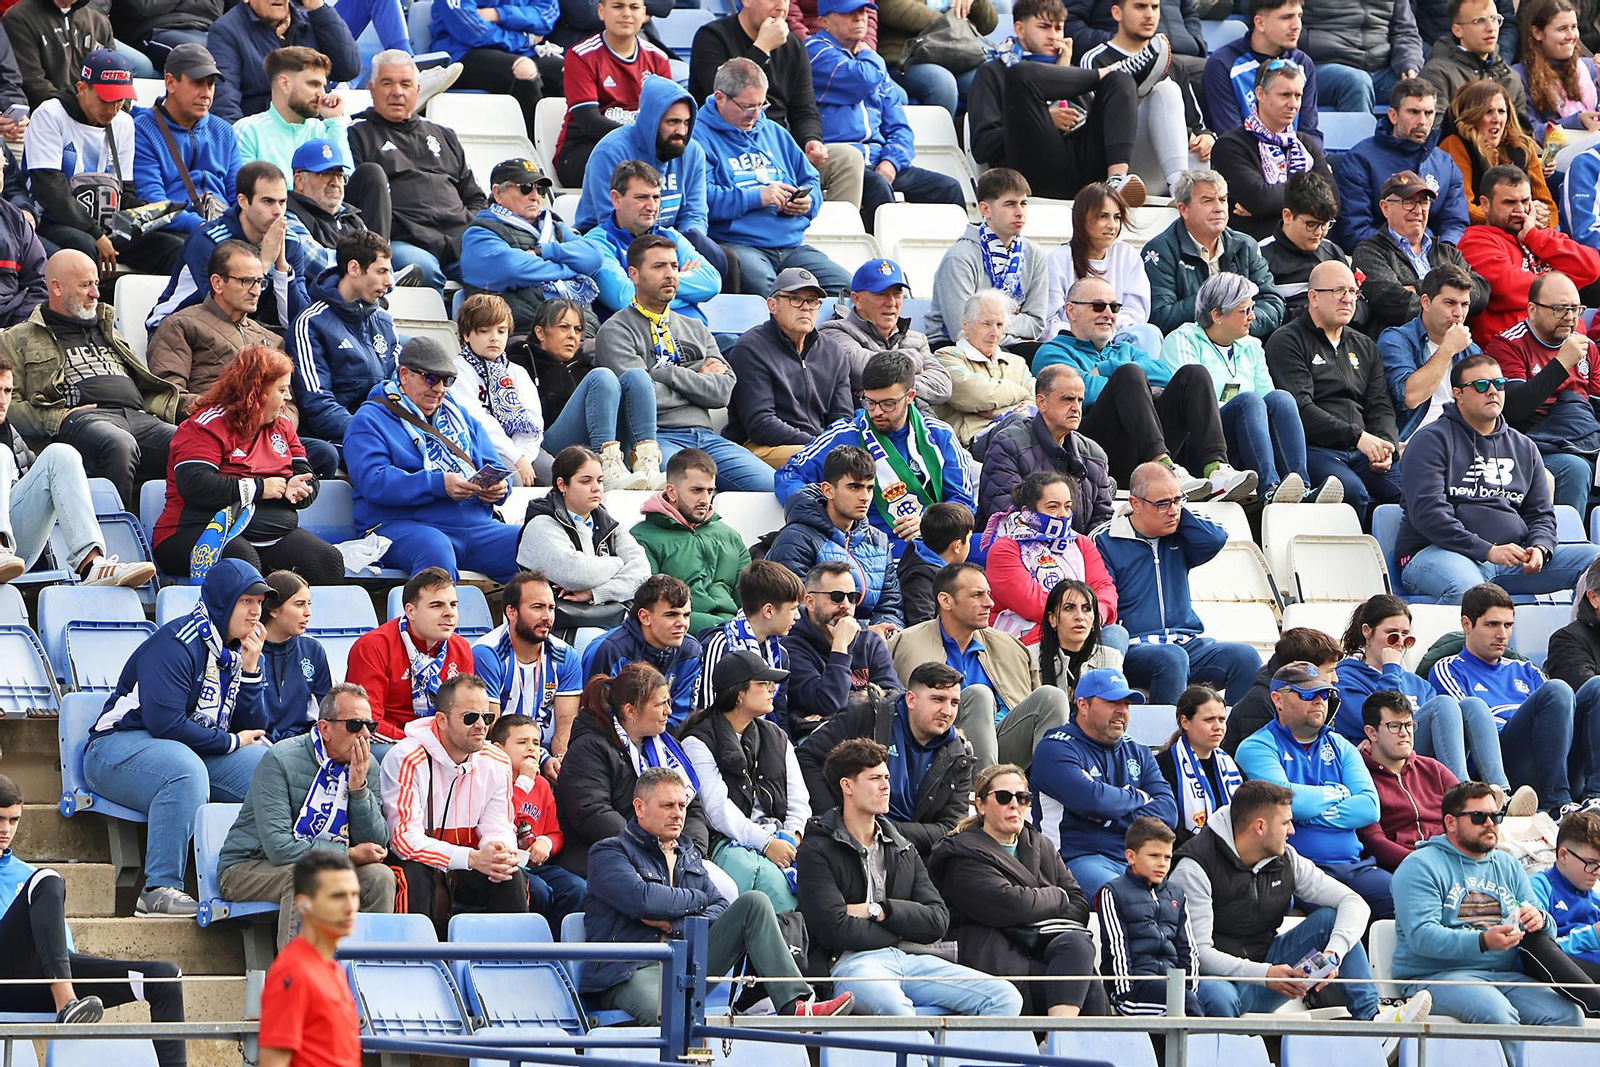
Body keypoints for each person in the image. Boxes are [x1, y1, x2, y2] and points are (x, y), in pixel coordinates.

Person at [585, 766, 854, 1021]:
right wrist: (696, 902)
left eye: (682, 806)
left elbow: (720, 907)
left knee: (754, 903)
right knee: (673, 1014)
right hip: (630, 968)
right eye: (667, 805)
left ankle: (796, 1005)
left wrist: (675, 922)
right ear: (640, 808)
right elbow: (643, 900)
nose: (678, 813)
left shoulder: (687, 856)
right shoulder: (609, 852)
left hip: (686, 963)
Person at [84, 559, 273, 916]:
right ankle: (158, 888)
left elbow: (255, 726)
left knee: (267, 766)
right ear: (222, 601)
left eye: (260, 603)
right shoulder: (176, 643)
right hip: (117, 747)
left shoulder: (233, 651)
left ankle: (256, 875)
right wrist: (231, 743)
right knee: (184, 771)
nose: (255, 612)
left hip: (184, 747)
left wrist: (250, 670)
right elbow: (164, 723)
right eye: (247, 601)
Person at [1169, 779, 1431, 1034]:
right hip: (1217, 980)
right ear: (1260, 827)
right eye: (1285, 823)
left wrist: (1333, 954)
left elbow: (1353, 902)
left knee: (1331, 919)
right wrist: (1265, 973)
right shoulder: (1194, 868)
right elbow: (1200, 954)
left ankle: (1374, 1022)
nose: (1292, 830)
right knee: (1215, 995)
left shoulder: (1287, 858)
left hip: (1271, 972)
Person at [796, 737, 1025, 1017]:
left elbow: (938, 920)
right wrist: (903, 927)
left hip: (909, 958)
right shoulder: (817, 847)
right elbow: (834, 929)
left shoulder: (901, 845)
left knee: (1005, 997)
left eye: (887, 777)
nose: (885, 785)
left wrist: (880, 910)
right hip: (850, 964)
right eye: (874, 778)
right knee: (900, 1012)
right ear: (847, 786)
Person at [0, 773, 187, 1059]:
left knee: (164, 978)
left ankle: (66, 1001)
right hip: (5, 979)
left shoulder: (26, 876)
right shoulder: (38, 884)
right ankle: (66, 1002)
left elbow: (61, 951)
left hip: (39, 985)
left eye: (13, 820)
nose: (6, 829)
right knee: (47, 879)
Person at [1397, 352, 1600, 600]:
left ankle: (1579, 640)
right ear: (1457, 394)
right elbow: (1428, 515)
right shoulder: (1430, 441)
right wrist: (1487, 550)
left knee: (1595, 563)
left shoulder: (1524, 447)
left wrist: (1540, 547)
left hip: (1511, 559)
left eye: (1499, 384)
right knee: (1471, 593)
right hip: (1438, 553)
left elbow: (1541, 514)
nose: (1493, 391)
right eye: (1481, 385)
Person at [1391, 780, 1583, 1041]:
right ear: (1450, 823)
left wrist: (1539, 919)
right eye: (1479, 817)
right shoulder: (1419, 866)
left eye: (1496, 816)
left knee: (1568, 1015)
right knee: (1498, 1015)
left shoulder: (1507, 864)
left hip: (1504, 975)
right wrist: (1482, 941)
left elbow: (1542, 920)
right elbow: (1422, 937)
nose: (1490, 824)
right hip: (1435, 976)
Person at [1035, 277, 1253, 498]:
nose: (1108, 314)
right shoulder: (1053, 352)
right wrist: (1129, 383)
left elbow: (1165, 374)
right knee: (1129, 375)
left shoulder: (1124, 349)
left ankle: (1216, 469)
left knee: (1193, 374)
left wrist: (1107, 368)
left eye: (1115, 307)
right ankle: (1163, 466)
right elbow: (1082, 393)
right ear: (1071, 311)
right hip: (1095, 452)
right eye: (1098, 306)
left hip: (1142, 441)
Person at [217, 683, 394, 946]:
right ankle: (297, 978)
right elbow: (278, 848)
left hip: (326, 865)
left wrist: (358, 790)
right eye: (355, 725)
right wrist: (348, 854)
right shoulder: (280, 759)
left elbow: (377, 842)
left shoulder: (366, 765)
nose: (366, 735)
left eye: (371, 726)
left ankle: (360, 971)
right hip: (247, 866)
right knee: (306, 877)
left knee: (380, 878)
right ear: (325, 728)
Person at [595, 233, 773, 492]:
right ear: (633, 274)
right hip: (656, 439)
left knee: (771, 488)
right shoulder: (616, 330)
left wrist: (667, 374)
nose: (670, 274)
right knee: (680, 490)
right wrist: (697, 378)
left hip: (708, 438)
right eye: (659, 267)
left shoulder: (696, 328)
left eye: (674, 266)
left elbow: (723, 392)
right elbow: (641, 397)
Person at [151, 343, 341, 585]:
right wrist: (259, 488)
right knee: (241, 564)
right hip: (194, 532)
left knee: (327, 561)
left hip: (272, 535)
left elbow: (306, 476)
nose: (289, 397)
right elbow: (196, 484)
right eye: (282, 389)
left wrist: (299, 489)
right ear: (258, 391)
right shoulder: (205, 426)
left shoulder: (282, 425)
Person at [927, 763, 1108, 1017]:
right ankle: (1060, 1046)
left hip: (1041, 948)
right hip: (992, 959)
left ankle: (1057, 1043)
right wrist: (1057, 896)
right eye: (1003, 797)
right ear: (980, 805)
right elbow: (1010, 905)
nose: (1015, 804)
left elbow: (1078, 905)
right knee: (1086, 985)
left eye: (1023, 798)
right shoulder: (961, 853)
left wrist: (1035, 906)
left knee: (1079, 947)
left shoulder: (1040, 844)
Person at [0, 250, 177, 509]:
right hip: (79, 420)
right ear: (57, 287)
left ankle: (175, 534)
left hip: (140, 416)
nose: (95, 293)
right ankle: (116, 534)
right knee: (119, 444)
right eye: (85, 285)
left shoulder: (108, 329)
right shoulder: (17, 338)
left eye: (96, 284)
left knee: (188, 445)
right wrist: (56, 419)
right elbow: (8, 406)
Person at [344, 336, 521, 582]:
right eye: (431, 378)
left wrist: (501, 487)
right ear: (404, 375)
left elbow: (496, 465)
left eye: (447, 380)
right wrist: (439, 484)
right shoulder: (369, 419)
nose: (439, 388)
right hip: (403, 525)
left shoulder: (461, 417)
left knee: (534, 541)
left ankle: (533, 620)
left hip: (477, 527)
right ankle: (435, 620)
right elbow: (374, 481)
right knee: (434, 546)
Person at [775, 349, 974, 559]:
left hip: (935, 541)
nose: (877, 411)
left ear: (910, 397)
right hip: (869, 548)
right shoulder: (844, 435)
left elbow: (964, 501)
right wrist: (822, 518)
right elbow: (789, 474)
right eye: (869, 402)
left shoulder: (939, 434)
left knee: (998, 548)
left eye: (889, 404)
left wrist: (932, 524)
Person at [1235, 661, 1394, 918]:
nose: (1319, 701)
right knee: (1332, 915)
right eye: (1308, 694)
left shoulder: (1341, 745)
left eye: (1324, 694)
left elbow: (1369, 808)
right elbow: (1283, 805)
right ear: (1278, 699)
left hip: (1355, 866)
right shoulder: (1256, 747)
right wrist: (1337, 793)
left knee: (1403, 898)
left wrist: (1306, 812)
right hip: (1298, 869)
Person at [1095, 462, 1263, 704]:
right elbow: (1102, 596)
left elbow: (1216, 538)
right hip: (1132, 648)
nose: (1173, 510)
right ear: (1135, 504)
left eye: (1177, 500)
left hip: (1186, 642)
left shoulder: (1181, 532)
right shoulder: (1105, 540)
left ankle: (1233, 738)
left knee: (1244, 658)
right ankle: (1168, 740)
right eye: (1163, 504)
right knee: (1172, 658)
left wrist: (1175, 511)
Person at [966, 0, 1160, 205]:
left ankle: (1117, 181)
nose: (1054, 36)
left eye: (1059, 28)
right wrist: (1039, 121)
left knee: (1119, 79)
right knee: (1022, 75)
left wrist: (1063, 73)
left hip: (1082, 170)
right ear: (1020, 30)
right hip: (1031, 175)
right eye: (1044, 27)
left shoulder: (1073, 70)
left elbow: (1090, 122)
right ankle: (1106, 72)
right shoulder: (993, 72)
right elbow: (982, 146)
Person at [1161, 271, 1329, 506]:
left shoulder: (1252, 345)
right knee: (1248, 401)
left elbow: (1267, 399)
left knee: (1281, 398)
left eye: (1253, 308)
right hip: (1201, 446)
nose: (1252, 317)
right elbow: (1187, 405)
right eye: (1244, 310)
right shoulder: (1182, 339)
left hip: (1244, 440)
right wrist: (1238, 406)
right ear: (1217, 314)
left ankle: (1301, 486)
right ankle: (1268, 487)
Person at [1431, 583, 1599, 815]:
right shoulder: (1449, 669)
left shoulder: (1526, 669)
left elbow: (1559, 716)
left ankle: (1595, 795)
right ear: (1466, 625)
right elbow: (1470, 725)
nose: (1502, 634)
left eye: (1508, 625)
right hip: (1504, 762)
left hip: (1555, 759)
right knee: (1557, 690)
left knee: (1596, 687)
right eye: (1492, 624)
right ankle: (1556, 803)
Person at [379, 673, 527, 935]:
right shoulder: (406, 757)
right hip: (420, 862)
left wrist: (498, 850)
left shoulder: (497, 760)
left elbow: (498, 825)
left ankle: (511, 967)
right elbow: (403, 841)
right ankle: (415, 964)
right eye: (470, 717)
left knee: (508, 875)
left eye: (487, 717)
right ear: (442, 720)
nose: (481, 725)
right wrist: (471, 858)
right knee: (412, 875)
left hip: (471, 860)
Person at [889, 560, 1071, 771]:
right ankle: (983, 793)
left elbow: (1029, 706)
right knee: (979, 694)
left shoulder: (1009, 647)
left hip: (1003, 744)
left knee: (1052, 696)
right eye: (977, 595)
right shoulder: (906, 644)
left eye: (988, 593)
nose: (990, 603)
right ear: (946, 601)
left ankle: (1049, 793)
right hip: (938, 750)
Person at [691, 58, 852, 296]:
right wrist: (758, 198)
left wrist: (807, 202)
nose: (755, 115)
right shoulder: (698, 138)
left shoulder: (775, 132)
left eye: (761, 105)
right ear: (720, 97)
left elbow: (811, 180)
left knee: (850, 289)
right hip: (739, 245)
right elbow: (702, 198)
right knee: (775, 297)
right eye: (747, 106)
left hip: (791, 246)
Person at [688, 0, 866, 209]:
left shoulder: (793, 45)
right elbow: (719, 100)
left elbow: (804, 110)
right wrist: (762, 48)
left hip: (779, 147)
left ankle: (827, 233)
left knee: (848, 160)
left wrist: (811, 140)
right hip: (726, 148)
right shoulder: (712, 37)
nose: (781, 6)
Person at [804, 0, 967, 228]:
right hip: (840, 163)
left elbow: (899, 127)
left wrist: (891, 160)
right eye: (848, 13)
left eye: (862, 11)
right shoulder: (815, 51)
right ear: (824, 22)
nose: (859, 17)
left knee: (948, 188)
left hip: (879, 161)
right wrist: (871, 54)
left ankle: (959, 259)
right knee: (878, 187)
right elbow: (861, 80)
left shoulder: (868, 60)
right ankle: (885, 262)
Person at [0, 349, 154, 586]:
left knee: (62, 454)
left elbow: (35, 489)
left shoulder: (11, 435)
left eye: (8, 391)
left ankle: (91, 565)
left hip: (13, 552)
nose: (3, 400)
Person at [23, 49, 182, 275]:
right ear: (82, 88)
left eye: (120, 100)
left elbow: (123, 192)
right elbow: (50, 192)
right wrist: (95, 233)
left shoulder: (124, 123)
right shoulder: (50, 115)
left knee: (173, 247)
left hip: (107, 227)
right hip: (51, 220)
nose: (113, 109)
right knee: (85, 247)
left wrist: (149, 211)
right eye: (105, 99)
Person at [1264, 260, 1402, 520]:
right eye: (1339, 291)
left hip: (1362, 448)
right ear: (1313, 297)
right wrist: (1357, 436)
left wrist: (1387, 447)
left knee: (1411, 494)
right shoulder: (1287, 341)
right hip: (1317, 449)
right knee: (1353, 493)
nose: (1348, 299)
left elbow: (1380, 406)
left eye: (1353, 292)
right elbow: (1301, 409)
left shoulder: (1364, 345)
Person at [795, 661, 972, 858]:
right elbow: (807, 758)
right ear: (911, 700)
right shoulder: (869, 715)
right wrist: (836, 818)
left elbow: (951, 828)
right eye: (938, 699)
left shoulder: (959, 755)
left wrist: (881, 830)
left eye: (954, 703)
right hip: (843, 842)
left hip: (910, 853)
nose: (947, 711)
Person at [677, 649, 810, 910]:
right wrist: (767, 843)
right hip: (728, 841)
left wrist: (792, 836)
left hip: (782, 839)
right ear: (739, 693)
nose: (773, 689)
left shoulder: (777, 735)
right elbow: (716, 810)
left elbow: (799, 799)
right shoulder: (697, 740)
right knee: (770, 883)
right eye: (763, 683)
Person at [554, 662, 713, 878]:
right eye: (660, 704)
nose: (669, 711)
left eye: (669, 702)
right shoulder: (590, 748)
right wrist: (648, 849)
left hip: (671, 856)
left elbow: (692, 808)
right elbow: (592, 813)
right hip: (609, 859)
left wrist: (688, 851)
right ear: (631, 711)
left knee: (724, 890)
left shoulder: (669, 749)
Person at [1032, 666, 1177, 898]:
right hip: (1073, 859)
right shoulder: (1055, 748)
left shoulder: (1138, 751)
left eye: (1127, 704)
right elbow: (1095, 802)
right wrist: (1139, 796)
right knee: (1127, 899)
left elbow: (1169, 813)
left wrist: (1109, 816)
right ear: (1083, 705)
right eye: (1112, 703)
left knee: (1176, 901)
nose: (1122, 711)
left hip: (1133, 859)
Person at [348, 51, 489, 290]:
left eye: (405, 84)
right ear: (371, 89)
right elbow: (361, 203)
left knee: (494, 269)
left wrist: (468, 226)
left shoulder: (444, 135)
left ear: (417, 89)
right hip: (407, 242)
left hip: (460, 242)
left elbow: (475, 197)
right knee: (424, 271)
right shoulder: (356, 134)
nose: (397, 92)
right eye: (387, 83)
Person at [1335, 594, 1508, 788]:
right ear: (1367, 631)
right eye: (1392, 635)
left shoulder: (1417, 683)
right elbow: (1381, 723)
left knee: (1473, 705)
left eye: (1406, 637)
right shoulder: (1346, 678)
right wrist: (1391, 669)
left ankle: (1501, 791)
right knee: (1442, 704)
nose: (1399, 643)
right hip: (1380, 762)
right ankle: (1461, 790)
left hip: (1421, 761)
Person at [574, 75, 725, 278]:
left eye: (687, 123)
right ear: (651, 121)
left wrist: (683, 254)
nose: (681, 131)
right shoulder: (610, 151)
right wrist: (667, 264)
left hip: (669, 243)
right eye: (673, 122)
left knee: (723, 259)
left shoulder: (692, 152)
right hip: (614, 243)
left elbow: (694, 215)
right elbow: (615, 219)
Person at [1482, 270, 1600, 513]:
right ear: (1532, 309)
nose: (1570, 318)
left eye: (1576, 309)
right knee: (1574, 468)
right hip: (1531, 446)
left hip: (1580, 439)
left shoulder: (1586, 348)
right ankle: (1564, 545)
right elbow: (1512, 409)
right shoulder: (1508, 345)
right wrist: (1560, 364)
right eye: (1559, 309)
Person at [149, 160, 311, 332]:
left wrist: (281, 266)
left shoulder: (291, 243)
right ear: (243, 201)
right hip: (175, 329)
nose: (278, 211)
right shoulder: (208, 240)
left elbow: (300, 323)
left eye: (282, 202)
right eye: (267, 201)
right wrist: (263, 264)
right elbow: (221, 311)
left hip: (238, 334)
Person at [1077, 0, 1213, 201]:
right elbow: (1095, 129)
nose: (1150, 14)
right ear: (1117, 12)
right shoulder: (1095, 60)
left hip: (1167, 168)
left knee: (1168, 91)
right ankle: (1183, 193)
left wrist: (1206, 138)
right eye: (1140, 7)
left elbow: (1198, 126)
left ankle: (1184, 193)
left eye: (1155, 7)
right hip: (1119, 170)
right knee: (1165, 89)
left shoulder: (1174, 63)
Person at [516, 445, 651, 643]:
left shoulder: (609, 523)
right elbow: (576, 574)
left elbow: (642, 574)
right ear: (562, 484)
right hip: (556, 629)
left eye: (600, 480)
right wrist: (618, 563)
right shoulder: (540, 525)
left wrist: (595, 593)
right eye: (586, 481)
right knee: (610, 645)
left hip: (607, 617)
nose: (596, 488)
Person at [723, 267, 855, 469]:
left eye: (812, 301)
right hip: (761, 446)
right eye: (795, 298)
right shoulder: (751, 347)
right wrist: (819, 444)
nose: (805, 307)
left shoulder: (833, 351)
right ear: (772, 305)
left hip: (818, 446)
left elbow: (842, 419)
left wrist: (826, 444)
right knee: (831, 463)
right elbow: (761, 424)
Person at [459, 157, 605, 338]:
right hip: (524, 337)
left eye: (540, 189)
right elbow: (512, 269)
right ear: (498, 193)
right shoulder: (480, 233)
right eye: (525, 188)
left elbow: (595, 257)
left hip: (581, 333)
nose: (535, 196)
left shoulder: (554, 226)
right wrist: (571, 270)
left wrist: (545, 251)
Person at [768, 445, 904, 634]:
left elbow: (891, 608)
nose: (865, 497)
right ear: (828, 490)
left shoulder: (879, 541)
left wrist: (884, 631)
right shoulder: (795, 539)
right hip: (810, 651)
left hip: (871, 649)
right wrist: (866, 631)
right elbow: (792, 611)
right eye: (854, 487)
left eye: (870, 488)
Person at [1143, 169, 1286, 339]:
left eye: (1223, 200)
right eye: (1208, 201)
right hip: (1187, 348)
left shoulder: (1246, 245)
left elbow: (1273, 304)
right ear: (1183, 209)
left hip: (1241, 345)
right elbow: (1160, 318)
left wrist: (1235, 325)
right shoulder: (1160, 251)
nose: (1218, 208)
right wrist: (1216, 304)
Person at [147, 241, 282, 421]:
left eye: (259, 282)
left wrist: (276, 422)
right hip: (210, 430)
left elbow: (288, 401)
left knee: (321, 449)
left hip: (266, 433)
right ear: (217, 283)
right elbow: (169, 395)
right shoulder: (180, 325)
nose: (256, 291)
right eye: (246, 281)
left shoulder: (271, 339)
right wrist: (232, 413)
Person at [981, 471, 1117, 645]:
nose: (1063, 514)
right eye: (1053, 507)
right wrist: (1079, 616)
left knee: (1115, 633)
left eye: (1067, 506)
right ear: (1028, 512)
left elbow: (1104, 587)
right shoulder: (1005, 548)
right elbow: (1031, 603)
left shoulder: (1081, 543)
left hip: (1082, 627)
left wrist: (1094, 615)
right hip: (1026, 635)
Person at [345, 566, 474, 749]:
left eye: (453, 605)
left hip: (442, 743)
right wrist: (422, 745)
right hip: (391, 745)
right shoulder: (373, 646)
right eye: (437, 605)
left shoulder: (461, 648)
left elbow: (467, 712)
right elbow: (367, 721)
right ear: (410, 611)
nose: (449, 613)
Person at [1334, 77, 1471, 249]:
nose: (1422, 121)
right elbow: (1355, 230)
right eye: (1413, 112)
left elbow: (1455, 223)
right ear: (1393, 115)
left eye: (1429, 113)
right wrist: (1410, 252)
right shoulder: (1360, 160)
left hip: (1434, 259)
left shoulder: (1445, 164)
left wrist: (1442, 252)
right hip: (1381, 258)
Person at [976, 363, 1114, 530]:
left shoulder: (1095, 454)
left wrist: (1081, 550)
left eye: (1080, 400)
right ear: (1041, 403)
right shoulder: (1008, 444)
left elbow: (1103, 520)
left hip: (1078, 552)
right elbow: (1006, 517)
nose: (1076, 408)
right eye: (1067, 399)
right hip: (1016, 551)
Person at [257, 851, 363, 1067]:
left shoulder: (331, 967)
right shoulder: (292, 972)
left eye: (354, 895)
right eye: (337, 896)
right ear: (304, 904)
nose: (350, 907)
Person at [925, 168, 1050, 350]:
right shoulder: (960, 258)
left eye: (1023, 204)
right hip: (953, 348)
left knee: (1050, 356)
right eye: (1010, 204)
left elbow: (1036, 324)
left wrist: (986, 323)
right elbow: (961, 330)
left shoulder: (1035, 255)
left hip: (1007, 345)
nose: (1019, 212)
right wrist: (1015, 325)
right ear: (985, 209)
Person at [1211, 58, 1331, 243]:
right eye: (1285, 95)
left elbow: (1332, 200)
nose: (1293, 104)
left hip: (1310, 249)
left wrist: (1267, 208)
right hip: (1256, 252)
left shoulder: (1305, 144)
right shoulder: (1230, 145)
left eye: (1298, 96)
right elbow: (1260, 199)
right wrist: (1309, 198)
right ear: (1260, 93)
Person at [1353, 170, 1489, 334]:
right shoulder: (1369, 251)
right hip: (1400, 346)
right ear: (1385, 208)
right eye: (1408, 202)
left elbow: (1481, 293)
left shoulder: (1447, 252)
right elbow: (1396, 307)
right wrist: (1453, 297)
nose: (1418, 210)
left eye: (1424, 202)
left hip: (1453, 344)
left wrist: (1418, 288)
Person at [473, 573, 583, 774]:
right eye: (537, 607)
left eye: (551, 608)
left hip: (544, 753)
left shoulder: (566, 656)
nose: (547, 617)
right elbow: (492, 730)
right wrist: (540, 758)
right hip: (500, 756)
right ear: (511, 612)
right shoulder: (487, 654)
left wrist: (559, 760)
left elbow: (565, 725)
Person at [584, 160, 722, 321]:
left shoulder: (671, 236)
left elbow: (712, 283)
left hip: (696, 336)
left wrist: (649, 285)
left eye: (656, 197)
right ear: (616, 199)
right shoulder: (597, 243)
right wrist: (681, 284)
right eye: (642, 197)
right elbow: (624, 299)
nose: (651, 206)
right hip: (640, 341)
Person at [631, 449, 750, 634]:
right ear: (671, 491)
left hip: (734, 634)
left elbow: (751, 600)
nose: (705, 499)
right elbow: (653, 610)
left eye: (710, 490)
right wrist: (724, 630)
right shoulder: (641, 538)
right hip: (684, 639)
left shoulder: (730, 536)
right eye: (696, 490)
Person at [553, 0, 671, 188]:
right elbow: (589, 121)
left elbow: (666, 117)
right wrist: (641, 141)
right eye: (618, 6)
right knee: (631, 171)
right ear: (601, 11)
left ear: (644, 13)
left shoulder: (658, 58)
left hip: (642, 148)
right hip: (585, 148)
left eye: (634, 7)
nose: (626, 13)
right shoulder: (580, 56)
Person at [529, 297, 661, 463]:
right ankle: (607, 465)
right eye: (564, 327)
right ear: (540, 332)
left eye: (577, 330)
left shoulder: (584, 365)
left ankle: (647, 463)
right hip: (547, 447)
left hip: (592, 444)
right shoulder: (523, 361)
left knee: (638, 376)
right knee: (602, 376)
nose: (572, 336)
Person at [1096, 816, 1204, 1016]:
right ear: (1131, 856)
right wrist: (1125, 993)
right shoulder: (1112, 892)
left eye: (1167, 857)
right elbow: (1117, 947)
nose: (1162, 864)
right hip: (1135, 990)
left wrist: (1189, 988)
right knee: (1187, 1010)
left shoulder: (1177, 894)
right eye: (1154, 856)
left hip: (1174, 986)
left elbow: (1188, 948)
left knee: (1192, 1005)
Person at [779, 560, 901, 737]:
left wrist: (841, 710)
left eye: (852, 597)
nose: (845, 605)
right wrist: (840, 647)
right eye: (836, 596)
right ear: (810, 602)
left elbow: (895, 701)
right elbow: (828, 703)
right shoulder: (791, 646)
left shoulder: (869, 642)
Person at [486, 713, 586, 925]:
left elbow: (555, 833)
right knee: (538, 891)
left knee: (577, 888)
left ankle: (557, 950)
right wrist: (523, 781)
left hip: (536, 865)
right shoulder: (490, 779)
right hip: (505, 866)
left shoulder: (541, 784)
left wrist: (546, 842)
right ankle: (532, 948)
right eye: (522, 742)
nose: (531, 748)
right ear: (498, 749)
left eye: (536, 742)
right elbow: (500, 817)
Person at [131, 44, 238, 241]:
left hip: (223, 230)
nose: (206, 93)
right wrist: (201, 225)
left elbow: (239, 196)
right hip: (176, 231)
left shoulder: (224, 131)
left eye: (211, 84)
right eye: (198, 83)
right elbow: (153, 202)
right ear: (170, 83)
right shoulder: (142, 129)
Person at [821, 258, 952, 412]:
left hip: (920, 425)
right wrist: (913, 362)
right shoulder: (833, 332)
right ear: (857, 299)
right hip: (865, 427)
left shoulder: (917, 339)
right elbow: (861, 370)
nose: (891, 302)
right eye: (881, 294)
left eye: (897, 294)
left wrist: (887, 388)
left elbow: (943, 386)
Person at [1043, 183, 1160, 352]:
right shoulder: (1058, 260)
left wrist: (1104, 331)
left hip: (1117, 343)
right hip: (1073, 346)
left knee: (1149, 333)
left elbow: (1136, 314)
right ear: (1082, 219)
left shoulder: (1127, 255)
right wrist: (1090, 333)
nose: (1112, 225)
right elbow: (1048, 323)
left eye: (1117, 217)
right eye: (1103, 216)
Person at [1356, 689, 1463, 872]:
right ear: (1372, 733)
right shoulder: (1360, 777)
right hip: (1404, 868)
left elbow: (1467, 811)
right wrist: (1422, 863)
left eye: (1408, 725)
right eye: (1395, 726)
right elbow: (1374, 841)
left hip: (1451, 857)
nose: (1405, 733)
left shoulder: (1433, 768)